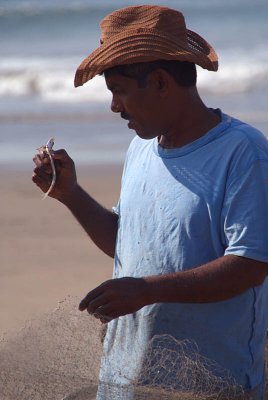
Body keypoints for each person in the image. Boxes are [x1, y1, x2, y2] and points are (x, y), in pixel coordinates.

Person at [32, 5, 268, 399]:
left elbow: (250, 264)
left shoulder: (243, 152)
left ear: (160, 82)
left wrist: (146, 290)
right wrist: (69, 193)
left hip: (210, 385)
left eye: (119, 90)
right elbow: (127, 243)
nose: (114, 106)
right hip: (127, 377)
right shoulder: (141, 150)